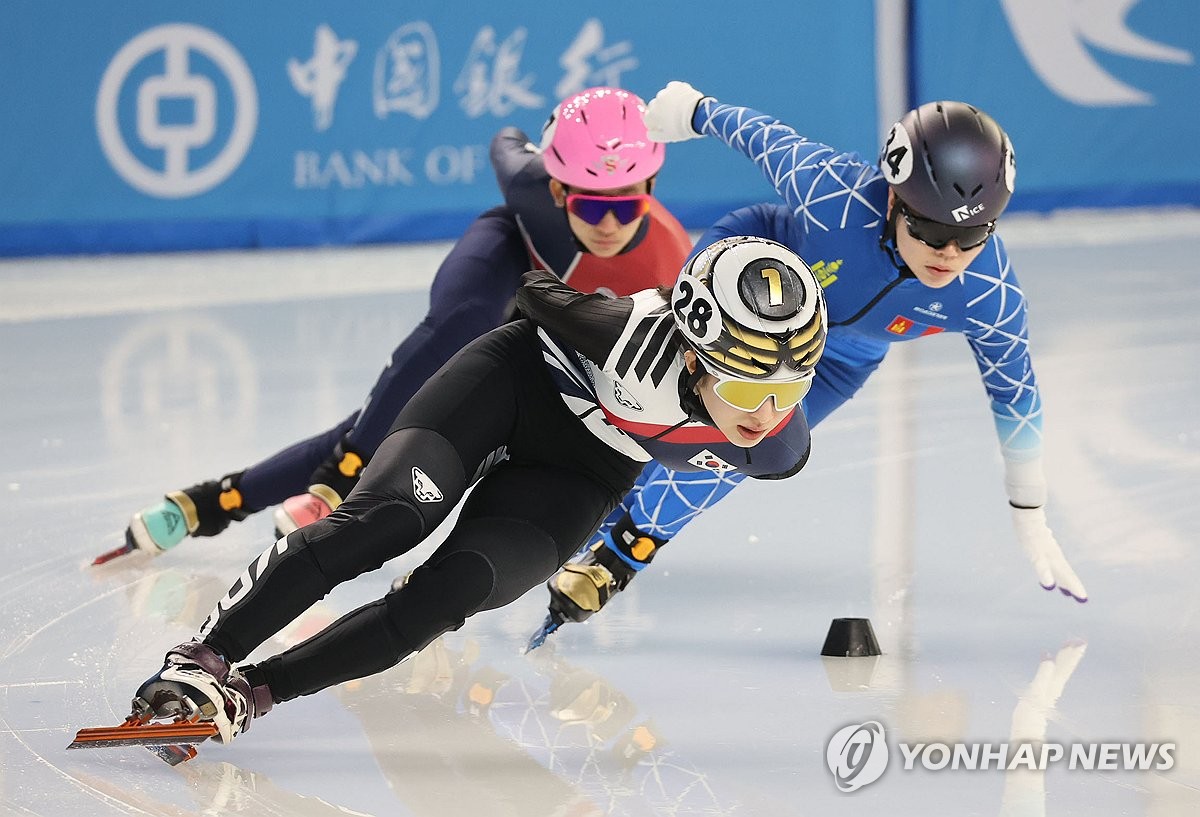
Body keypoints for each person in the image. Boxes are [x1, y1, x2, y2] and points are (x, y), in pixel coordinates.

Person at [126, 234, 828, 745]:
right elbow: (531, 290)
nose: (764, 413)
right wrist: (600, 309)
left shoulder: (777, 447)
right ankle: (203, 656)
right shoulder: (630, 338)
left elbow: (695, 489)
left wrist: (622, 555)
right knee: (392, 517)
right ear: (689, 350)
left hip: (583, 469)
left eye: (788, 390)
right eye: (743, 386)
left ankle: (253, 692)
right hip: (514, 385)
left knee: (453, 590)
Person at [533, 83, 1086, 642]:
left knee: (745, 444)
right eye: (933, 230)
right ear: (894, 201)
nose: (949, 255)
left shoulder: (988, 292)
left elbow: (1015, 395)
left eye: (973, 235)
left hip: (838, 357)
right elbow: (766, 139)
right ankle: (572, 478)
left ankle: (626, 549)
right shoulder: (835, 196)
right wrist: (696, 110)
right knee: (673, 400)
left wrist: (1029, 508)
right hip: (752, 273)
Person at [106, 86, 693, 564]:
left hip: (560, 317)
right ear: (559, 187)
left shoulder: (668, 261)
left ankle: (206, 504)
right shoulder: (528, 188)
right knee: (456, 327)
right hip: (509, 256)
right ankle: (341, 473)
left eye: (627, 202)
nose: (609, 221)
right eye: (590, 203)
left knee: (423, 415)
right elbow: (505, 142)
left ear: (653, 188)